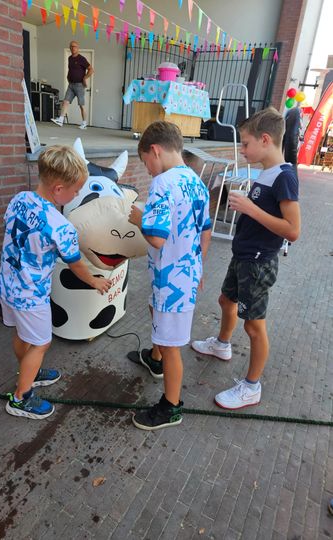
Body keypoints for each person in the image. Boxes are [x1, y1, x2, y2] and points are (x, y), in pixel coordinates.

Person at [191, 107, 301, 410]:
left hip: (258, 262)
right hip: (243, 256)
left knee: (254, 326)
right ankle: (222, 345)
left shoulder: (285, 177)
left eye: (245, 143)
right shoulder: (267, 172)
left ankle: (252, 387)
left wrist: (250, 209)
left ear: (265, 139)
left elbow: (293, 231)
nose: (242, 149)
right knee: (225, 301)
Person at [0, 145, 111, 419]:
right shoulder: (61, 226)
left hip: (6, 285)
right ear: (58, 189)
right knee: (41, 343)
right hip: (31, 296)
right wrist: (95, 282)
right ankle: (21, 398)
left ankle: (29, 371)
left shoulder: (19, 199)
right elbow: (76, 265)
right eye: (76, 190)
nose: (77, 195)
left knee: (21, 333)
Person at [128, 121, 212, 431]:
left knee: (173, 344)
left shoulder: (162, 183)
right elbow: (205, 231)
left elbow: (156, 238)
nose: (147, 169)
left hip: (171, 281)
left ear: (155, 150)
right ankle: (155, 358)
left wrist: (139, 218)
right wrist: (197, 266)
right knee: (159, 320)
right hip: (183, 273)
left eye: (145, 162)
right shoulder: (196, 181)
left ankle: (171, 406)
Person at [51, 41, 94, 130]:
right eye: (71, 46)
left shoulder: (81, 59)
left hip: (79, 85)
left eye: (74, 46)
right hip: (71, 85)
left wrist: (84, 78)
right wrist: (68, 77)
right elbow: (70, 69)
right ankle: (61, 120)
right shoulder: (70, 58)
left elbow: (91, 70)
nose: (73, 48)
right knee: (65, 101)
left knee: (81, 105)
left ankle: (84, 123)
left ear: (78, 48)